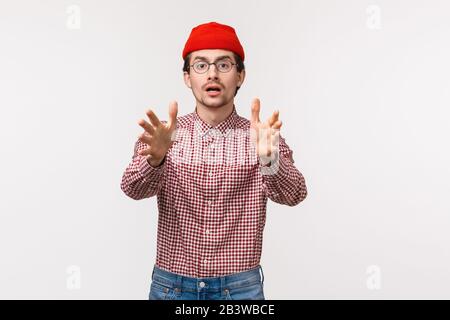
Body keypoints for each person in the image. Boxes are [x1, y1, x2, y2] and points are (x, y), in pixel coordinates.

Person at [120, 21, 308, 300]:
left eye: (223, 65)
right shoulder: (164, 134)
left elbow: (295, 194)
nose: (212, 74)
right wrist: (156, 159)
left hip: (240, 290)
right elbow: (132, 189)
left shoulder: (262, 137)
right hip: (172, 287)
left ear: (240, 76)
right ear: (187, 77)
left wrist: (269, 159)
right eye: (200, 65)